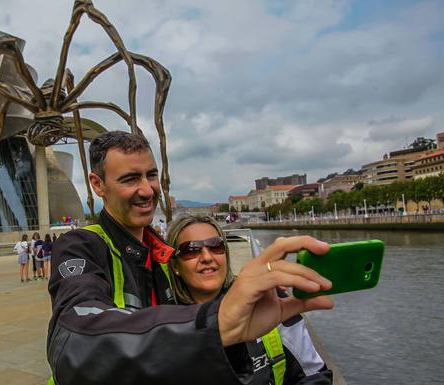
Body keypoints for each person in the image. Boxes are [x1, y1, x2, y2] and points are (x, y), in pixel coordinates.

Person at [47, 131, 333, 385]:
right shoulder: (81, 246)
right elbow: (74, 341)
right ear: (97, 184)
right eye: (130, 179)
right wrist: (216, 321)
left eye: (151, 175)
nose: (147, 190)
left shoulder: (162, 256)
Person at [166, 213, 332, 384]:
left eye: (216, 246)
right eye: (191, 250)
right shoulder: (169, 328)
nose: (207, 257)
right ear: (175, 266)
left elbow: (314, 375)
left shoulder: (269, 300)